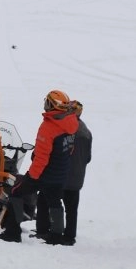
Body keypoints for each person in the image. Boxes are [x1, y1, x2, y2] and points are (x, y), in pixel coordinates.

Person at [0, 89, 77, 244]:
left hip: (43, 174)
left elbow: (41, 157)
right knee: (55, 202)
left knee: (16, 192)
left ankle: (12, 233)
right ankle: (56, 236)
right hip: (60, 175)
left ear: (52, 105)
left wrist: (32, 177)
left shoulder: (49, 127)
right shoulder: (71, 123)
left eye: (47, 102)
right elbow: (70, 149)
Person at [61, 100, 92, 246]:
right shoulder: (86, 131)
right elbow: (88, 158)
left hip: (62, 174)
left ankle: (53, 231)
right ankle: (69, 237)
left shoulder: (66, 128)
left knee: (52, 203)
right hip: (78, 176)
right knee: (72, 210)